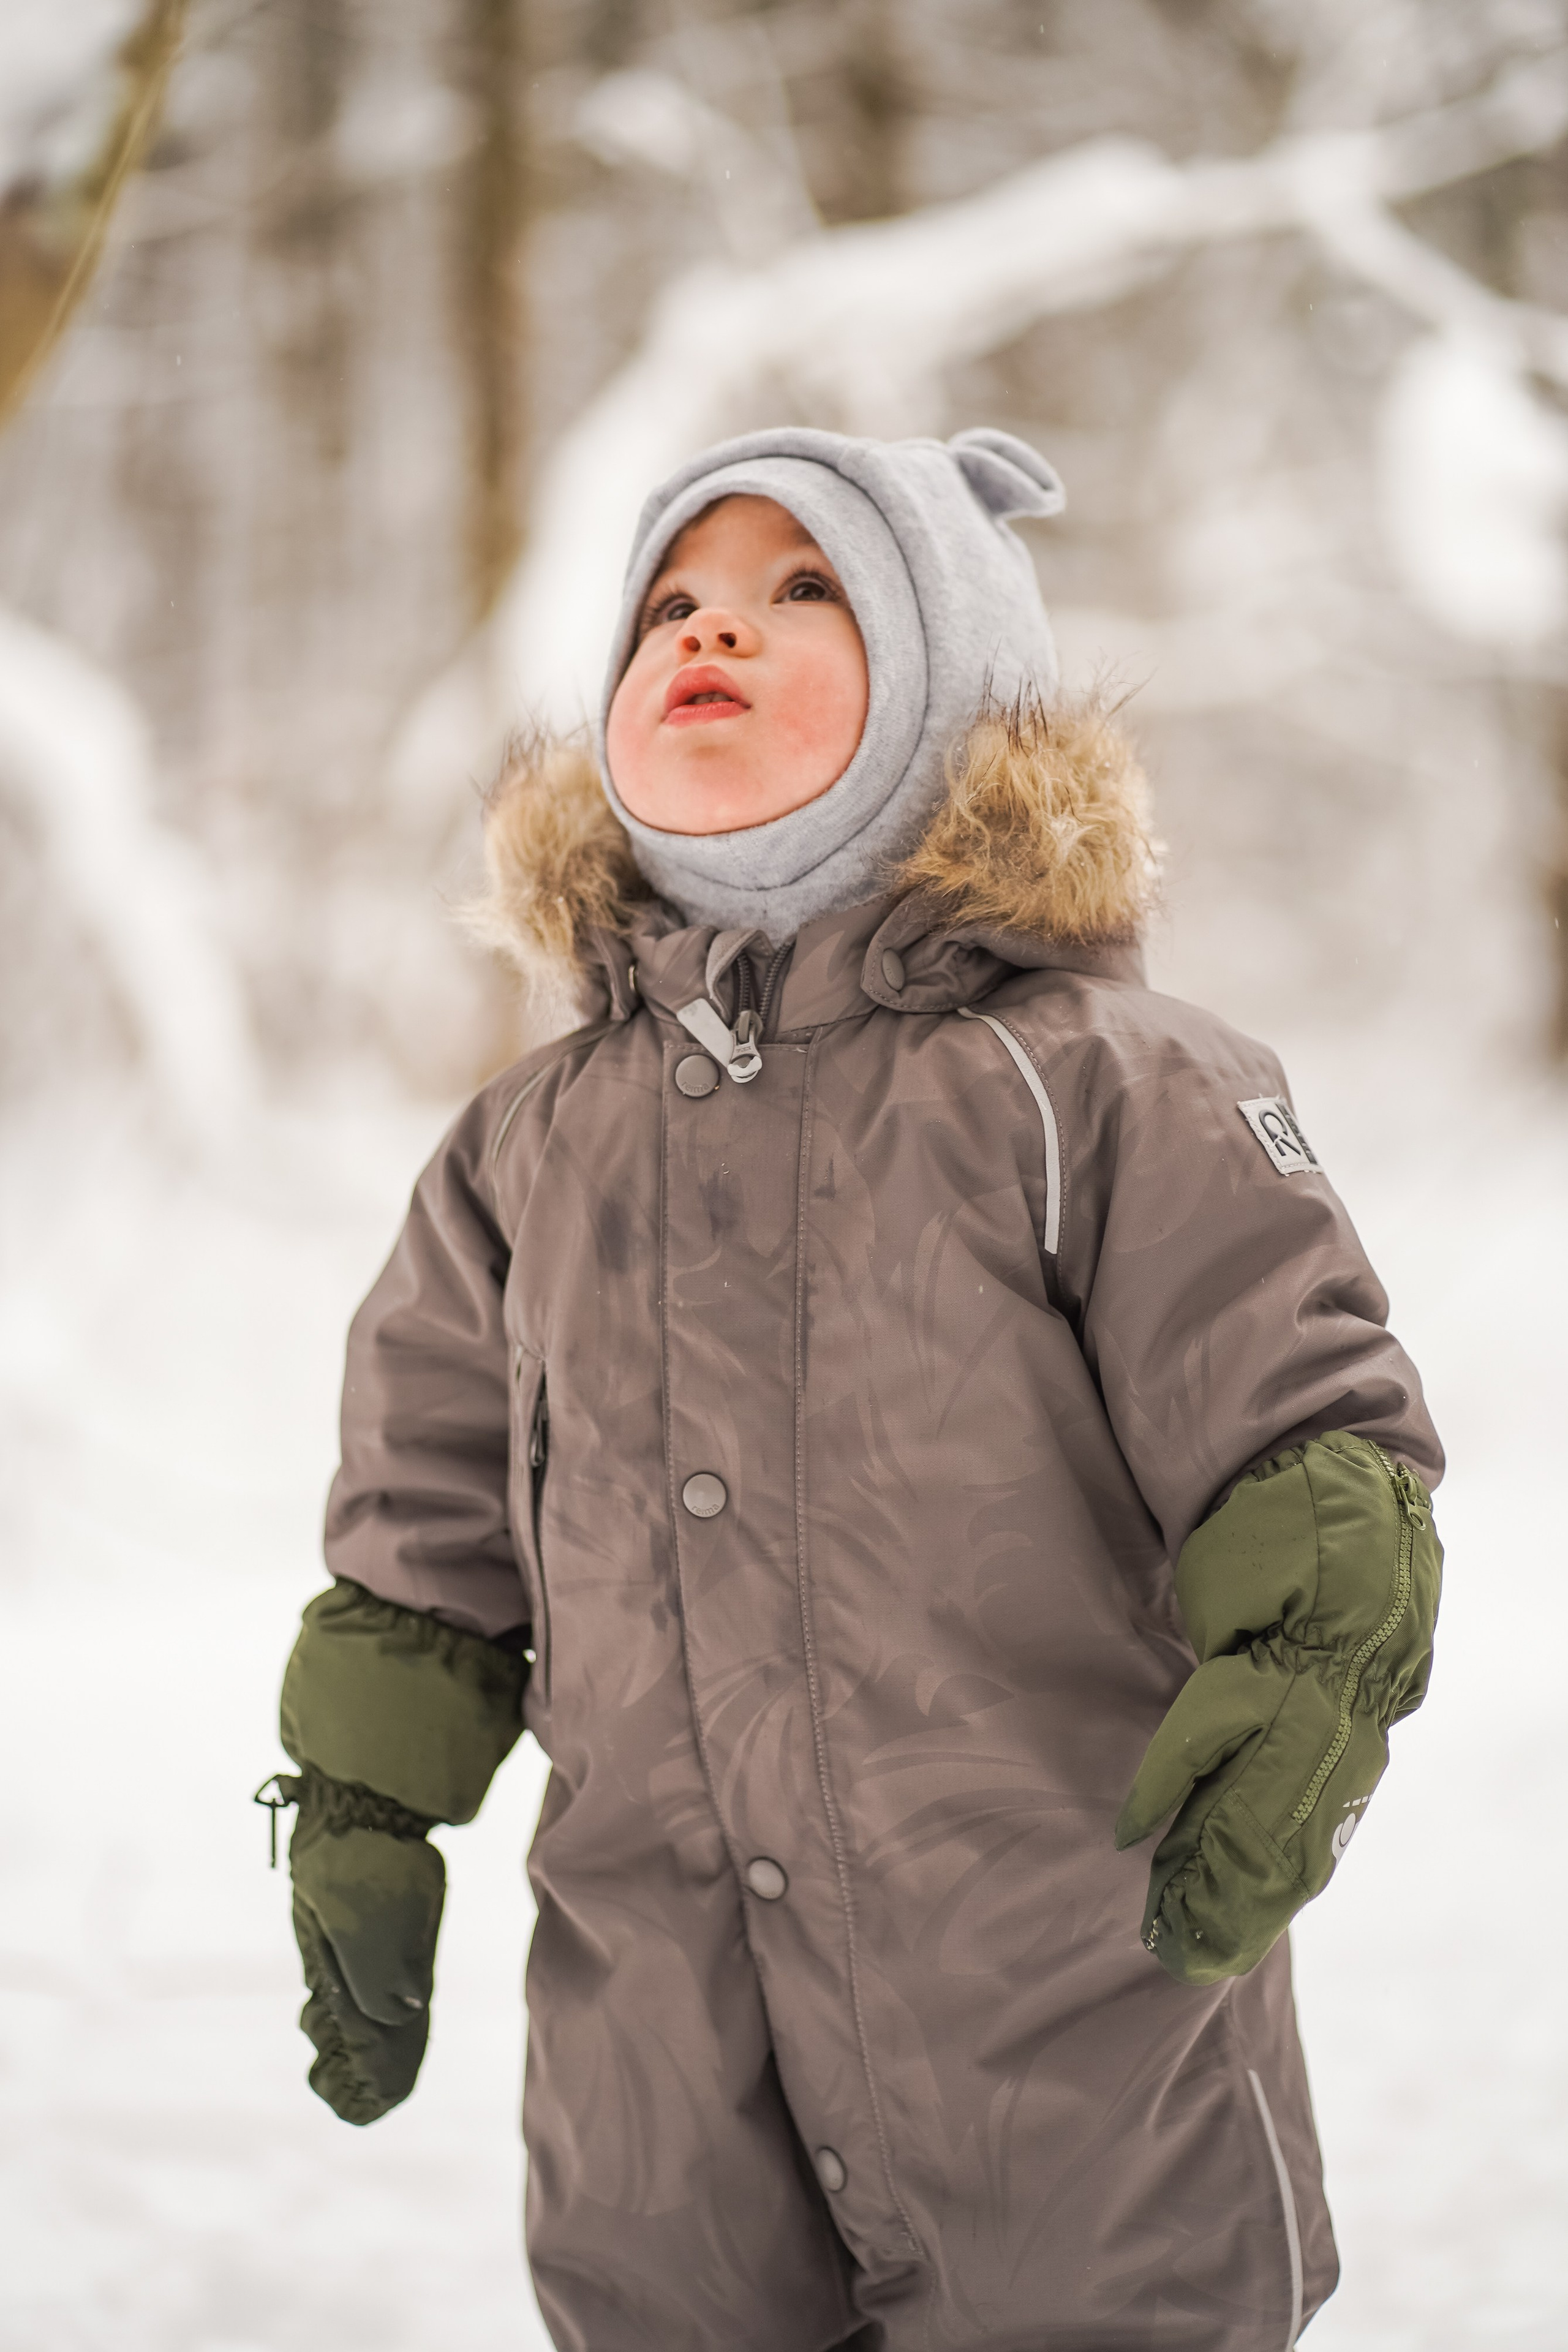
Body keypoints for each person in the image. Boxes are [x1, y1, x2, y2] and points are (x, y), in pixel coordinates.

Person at [268, 427, 1443, 2351]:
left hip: (1064, 2010)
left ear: (951, 690)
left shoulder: (1095, 1082)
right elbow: (428, 1506)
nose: (715, 628)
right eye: (674, 603)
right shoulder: (529, 1146)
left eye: (804, 589)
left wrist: (1319, 1656)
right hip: (658, 2051)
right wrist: (362, 1792)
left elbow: (1298, 1416)